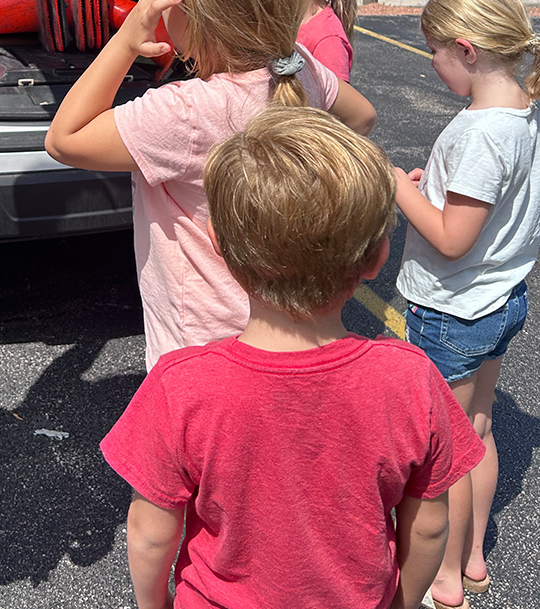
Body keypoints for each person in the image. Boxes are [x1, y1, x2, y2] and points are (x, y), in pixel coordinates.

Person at [100, 107, 485, 609]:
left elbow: (150, 534)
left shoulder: (181, 385)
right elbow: (430, 525)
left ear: (220, 245)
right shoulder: (411, 378)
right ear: (376, 259)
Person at [45, 0, 376, 368]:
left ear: (193, 15)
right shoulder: (297, 67)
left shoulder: (186, 112)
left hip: (200, 344)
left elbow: (64, 138)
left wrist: (124, 39)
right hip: (287, 329)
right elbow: (362, 117)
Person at [394, 0, 540, 609]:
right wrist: (433, 190)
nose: (431, 65)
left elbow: (453, 240)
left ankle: (445, 577)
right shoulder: (521, 112)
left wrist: (398, 188)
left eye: (435, 52)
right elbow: (483, 210)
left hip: (453, 309)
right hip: (500, 301)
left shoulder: (479, 131)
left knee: (446, 452)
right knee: (478, 430)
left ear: (468, 49)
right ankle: (475, 557)